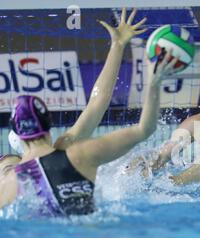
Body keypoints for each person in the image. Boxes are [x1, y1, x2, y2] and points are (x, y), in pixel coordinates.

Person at [0, 45, 180, 215]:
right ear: (49, 127)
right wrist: (153, 81)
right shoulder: (79, 154)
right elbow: (143, 129)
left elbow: (97, 102)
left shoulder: (10, 186)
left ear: (20, 137)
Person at [1, 8, 146, 175]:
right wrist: (117, 45)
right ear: (48, 133)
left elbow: (97, 104)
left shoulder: (61, 155)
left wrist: (118, 46)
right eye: (9, 170)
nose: (18, 172)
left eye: (14, 167)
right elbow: (97, 104)